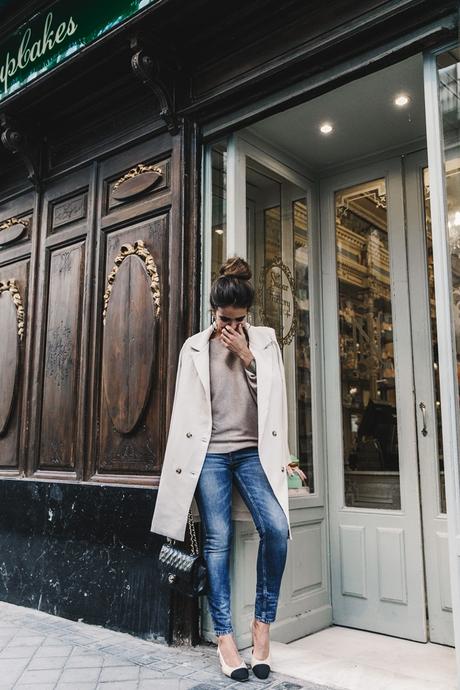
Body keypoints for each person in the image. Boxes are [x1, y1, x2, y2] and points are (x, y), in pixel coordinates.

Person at [151, 256, 292, 682]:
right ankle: (226, 641)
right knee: (218, 540)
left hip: (252, 453)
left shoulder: (265, 341)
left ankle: (261, 627)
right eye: (221, 317)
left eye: (236, 318)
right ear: (213, 309)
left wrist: (247, 356)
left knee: (277, 529)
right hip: (210, 456)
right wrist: (180, 470)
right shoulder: (193, 346)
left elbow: (275, 404)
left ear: (248, 314)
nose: (228, 326)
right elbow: (184, 414)